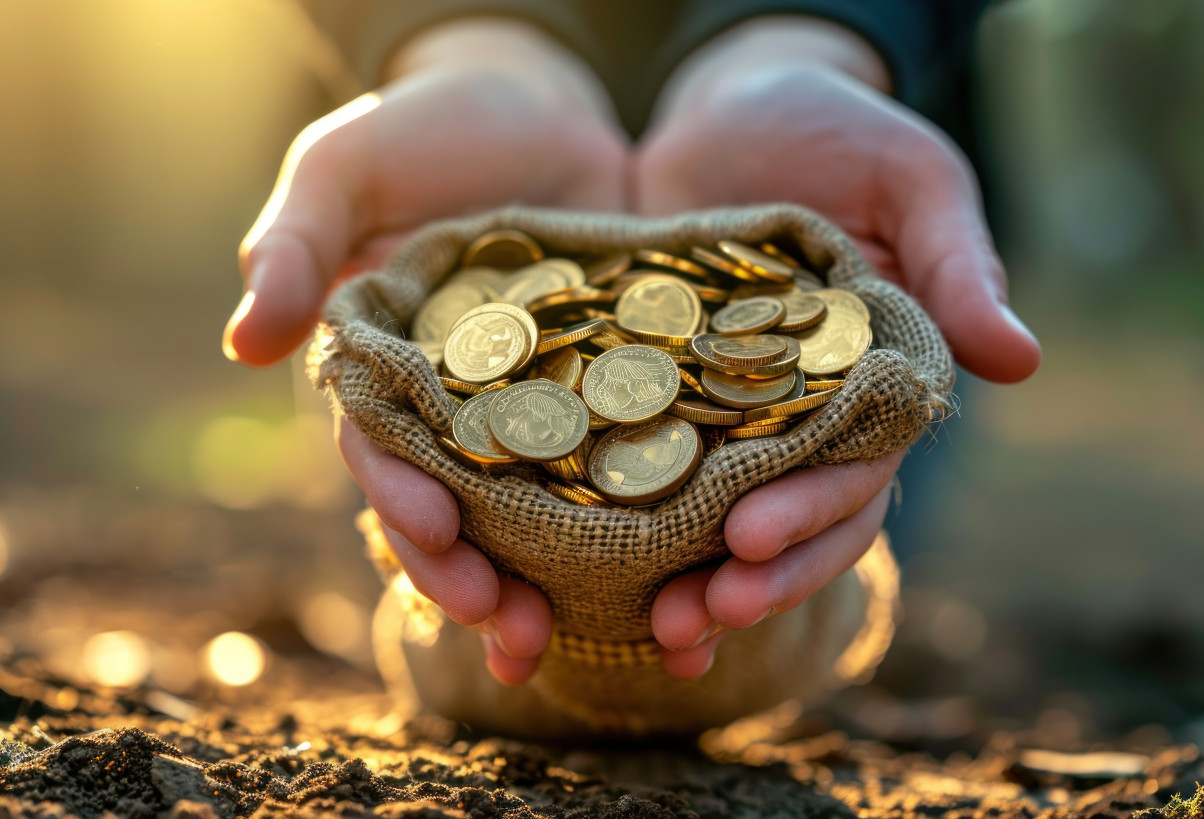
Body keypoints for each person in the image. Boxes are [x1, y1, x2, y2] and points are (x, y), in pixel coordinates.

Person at [222, 2, 1041, 687]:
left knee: (783, 582)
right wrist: (461, 32)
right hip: (414, 196)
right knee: (443, 605)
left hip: (862, 154)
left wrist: (811, 30)